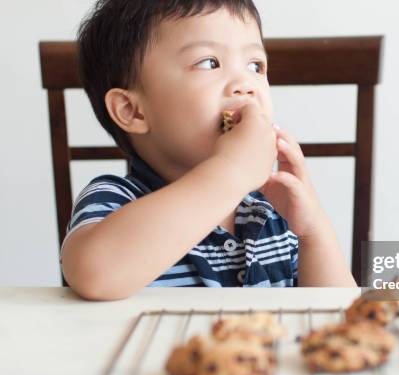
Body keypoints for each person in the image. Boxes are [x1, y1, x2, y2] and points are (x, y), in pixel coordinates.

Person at [60, 0, 356, 300]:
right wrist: (233, 170)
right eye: (209, 62)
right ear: (133, 111)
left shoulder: (270, 212)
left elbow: (339, 315)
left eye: (256, 66)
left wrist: (312, 232)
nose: (246, 84)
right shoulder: (115, 201)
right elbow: (94, 274)